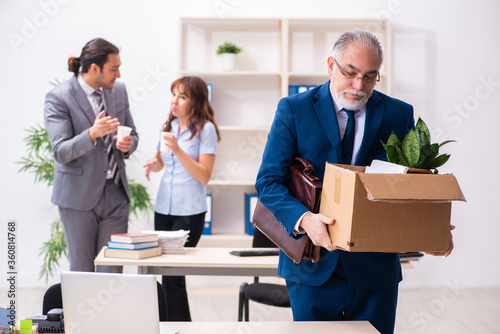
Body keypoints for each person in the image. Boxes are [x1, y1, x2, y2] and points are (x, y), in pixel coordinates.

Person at [255, 29, 454, 334]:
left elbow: (409, 183)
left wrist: (429, 228)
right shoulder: (293, 110)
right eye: (351, 72)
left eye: (370, 77)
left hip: (376, 271)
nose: (359, 85)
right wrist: (305, 220)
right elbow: (269, 182)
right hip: (312, 266)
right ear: (330, 65)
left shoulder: (398, 114)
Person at [44, 38, 138, 273]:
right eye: (114, 69)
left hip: (116, 195)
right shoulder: (59, 97)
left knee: (112, 271)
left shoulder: (118, 91)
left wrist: (128, 143)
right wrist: (92, 134)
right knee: (82, 271)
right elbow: (61, 152)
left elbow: (133, 134)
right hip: (78, 198)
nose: (118, 74)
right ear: (94, 68)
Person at [144, 76, 220, 321]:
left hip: (190, 212)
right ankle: (168, 325)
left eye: (182, 96)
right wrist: (153, 165)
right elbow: (161, 163)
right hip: (163, 208)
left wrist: (177, 149)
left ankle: (176, 327)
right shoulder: (168, 127)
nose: (174, 101)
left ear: (195, 101)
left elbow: (204, 175)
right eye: (173, 94)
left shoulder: (205, 130)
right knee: (165, 272)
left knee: (173, 275)